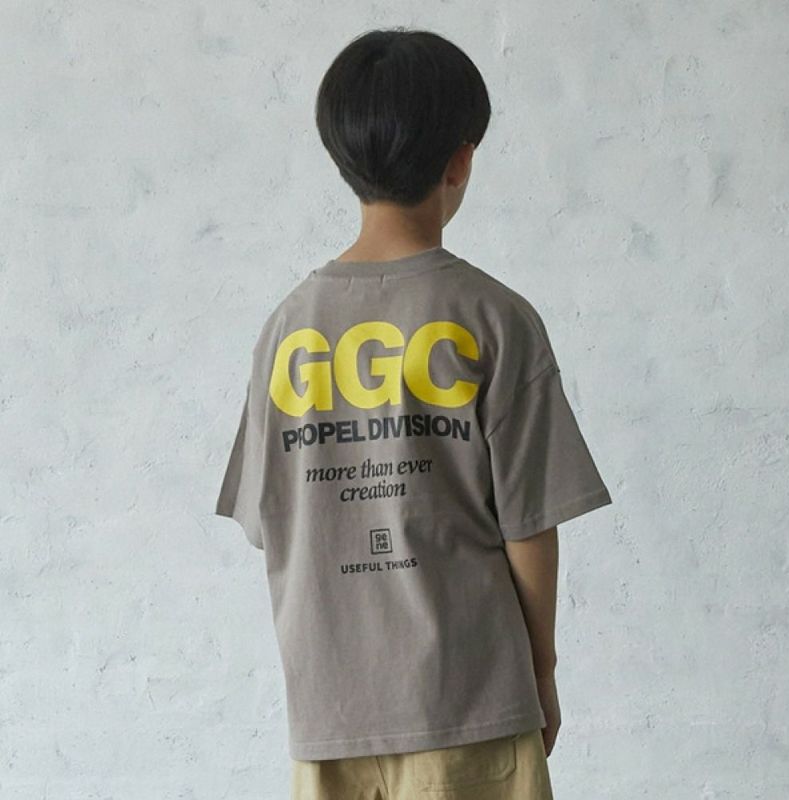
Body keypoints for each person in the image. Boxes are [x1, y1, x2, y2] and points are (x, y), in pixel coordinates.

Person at [215, 26, 613, 799]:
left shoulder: (287, 330)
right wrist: (541, 670)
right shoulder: (494, 318)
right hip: (472, 704)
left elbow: (271, 520)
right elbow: (529, 524)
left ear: (342, 157)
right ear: (460, 160)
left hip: (329, 716)